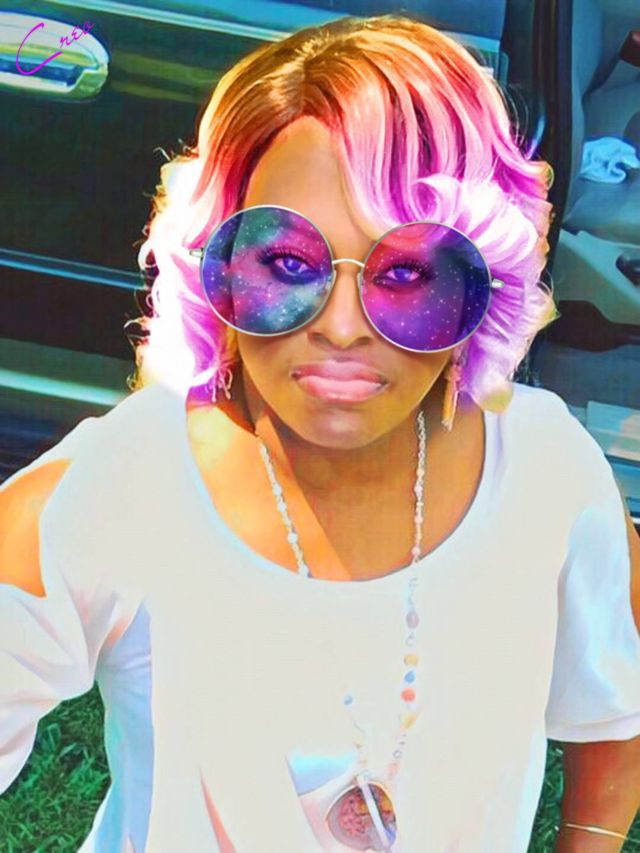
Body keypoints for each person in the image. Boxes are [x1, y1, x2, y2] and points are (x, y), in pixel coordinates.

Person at [1, 14, 639, 853]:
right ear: (215, 263)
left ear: (483, 281)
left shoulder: (548, 476)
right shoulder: (121, 487)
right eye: (288, 262)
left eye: (406, 271)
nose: (340, 325)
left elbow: (618, 716)